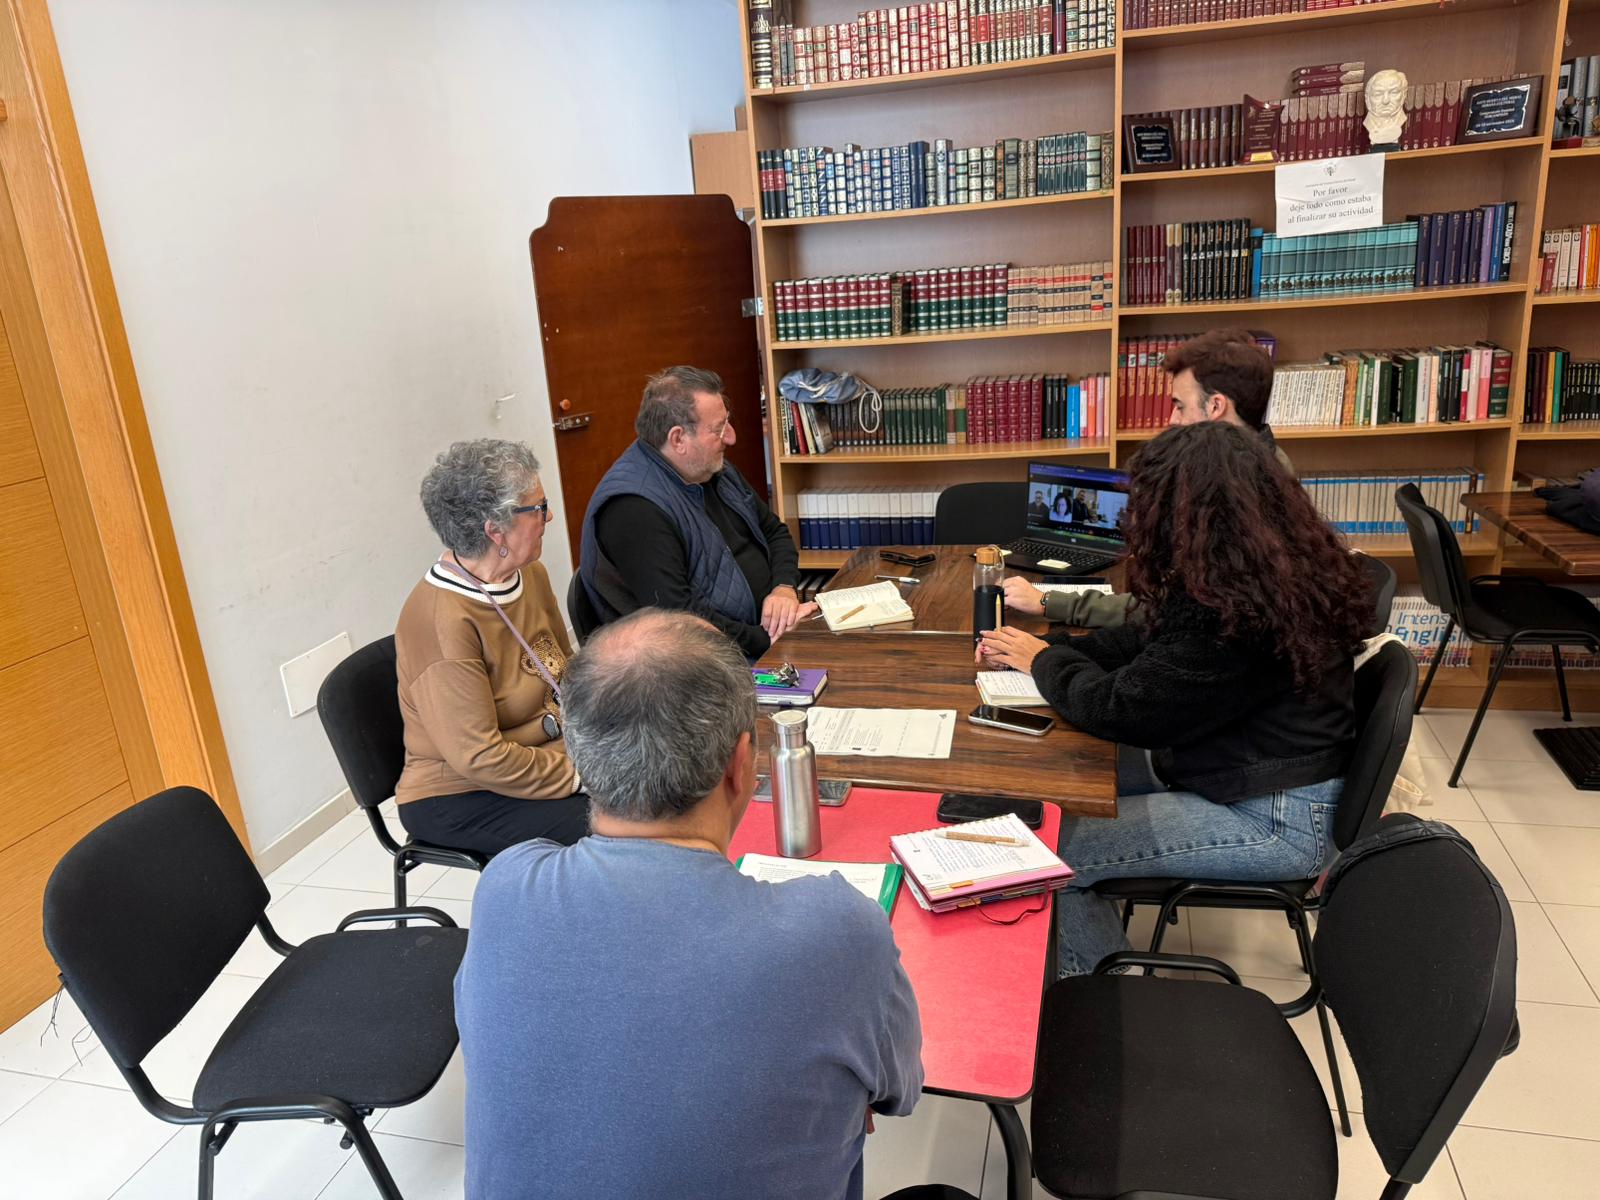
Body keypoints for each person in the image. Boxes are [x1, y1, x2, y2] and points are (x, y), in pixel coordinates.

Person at [455, 609, 924, 1200]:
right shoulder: (840, 931)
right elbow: (900, 1091)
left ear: (579, 758)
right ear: (741, 766)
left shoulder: (504, 888)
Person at [978, 422, 1369, 976]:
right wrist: (1049, 645)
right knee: (1049, 799)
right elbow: (1148, 640)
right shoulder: (1256, 574)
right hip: (1240, 770)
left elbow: (1123, 709)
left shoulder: (1238, 614)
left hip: (1274, 817)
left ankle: (1104, 1001)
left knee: (1044, 855)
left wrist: (1043, 662)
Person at [1005, 328, 1295, 629]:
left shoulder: (1236, 495)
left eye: (1180, 405)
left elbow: (1167, 609)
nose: (1172, 419)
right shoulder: (1262, 468)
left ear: (1216, 406)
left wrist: (1049, 601)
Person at [393, 439, 588, 855]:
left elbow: (565, 670)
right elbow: (478, 756)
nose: (548, 515)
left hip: (543, 751)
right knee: (618, 825)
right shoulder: (440, 620)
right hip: (459, 793)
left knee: (652, 781)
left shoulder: (528, 573)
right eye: (538, 507)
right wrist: (580, 774)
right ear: (494, 529)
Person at [579, 365, 816, 658]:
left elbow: (774, 531)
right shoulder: (633, 509)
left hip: (760, 640)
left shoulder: (712, 468)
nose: (731, 437)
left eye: (726, 422)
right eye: (718, 429)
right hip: (700, 665)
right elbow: (683, 621)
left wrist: (783, 588)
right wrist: (770, 638)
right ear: (678, 439)